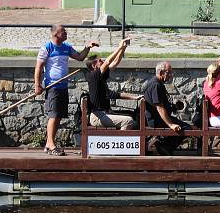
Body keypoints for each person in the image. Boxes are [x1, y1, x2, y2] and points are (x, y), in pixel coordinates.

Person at [34, 24, 98, 156]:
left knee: (58, 116)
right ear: (55, 34)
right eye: (63, 31)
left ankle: (48, 143)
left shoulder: (66, 47)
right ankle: (51, 145)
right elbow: (38, 67)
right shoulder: (47, 48)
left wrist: (88, 48)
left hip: (63, 86)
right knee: (53, 115)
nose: (66, 33)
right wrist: (37, 85)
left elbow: (80, 57)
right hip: (53, 87)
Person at [85, 37, 140, 130]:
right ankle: (120, 143)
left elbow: (115, 62)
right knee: (128, 121)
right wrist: (119, 47)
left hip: (104, 113)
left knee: (134, 119)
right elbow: (108, 62)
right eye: (100, 61)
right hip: (98, 116)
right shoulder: (93, 76)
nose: (102, 62)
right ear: (94, 66)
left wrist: (123, 48)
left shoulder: (100, 76)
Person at [143, 61, 192, 155]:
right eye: (169, 72)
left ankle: (163, 145)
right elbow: (160, 108)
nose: (171, 75)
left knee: (187, 127)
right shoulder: (155, 85)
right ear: (161, 73)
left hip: (159, 118)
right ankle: (164, 147)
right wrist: (171, 125)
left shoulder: (156, 83)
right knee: (187, 128)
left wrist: (173, 107)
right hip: (157, 120)